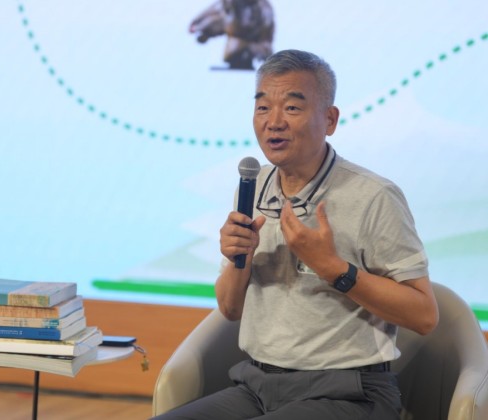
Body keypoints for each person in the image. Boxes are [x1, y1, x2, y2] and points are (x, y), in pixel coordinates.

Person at [153, 49, 439, 419]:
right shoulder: (253, 188)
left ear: (330, 119)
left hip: (350, 392)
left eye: (291, 108)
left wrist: (333, 268)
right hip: (258, 386)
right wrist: (239, 259)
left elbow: (424, 316)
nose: (273, 122)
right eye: (262, 107)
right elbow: (230, 308)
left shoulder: (373, 196)